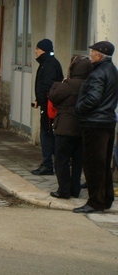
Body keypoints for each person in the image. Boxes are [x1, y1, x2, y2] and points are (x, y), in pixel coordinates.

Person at [73, 41, 118, 213]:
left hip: (95, 124)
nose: (90, 54)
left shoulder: (98, 73)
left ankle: (95, 202)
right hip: (107, 122)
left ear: (99, 55)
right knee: (103, 163)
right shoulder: (112, 70)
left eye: (92, 52)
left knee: (93, 165)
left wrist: (79, 108)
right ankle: (106, 198)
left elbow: (93, 98)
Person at [48, 56, 92, 199]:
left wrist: (56, 84)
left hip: (65, 126)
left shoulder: (69, 84)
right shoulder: (90, 84)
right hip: (82, 126)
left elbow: (54, 96)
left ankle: (64, 190)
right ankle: (75, 189)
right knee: (78, 160)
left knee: (62, 159)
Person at [31, 38, 63, 175]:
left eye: (37, 49)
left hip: (49, 105)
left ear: (43, 50)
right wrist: (38, 99)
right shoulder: (46, 62)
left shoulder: (49, 64)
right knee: (48, 133)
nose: (35, 51)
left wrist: (43, 100)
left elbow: (48, 86)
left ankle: (48, 164)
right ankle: (57, 161)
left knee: (46, 133)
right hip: (45, 103)